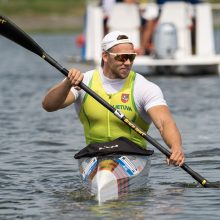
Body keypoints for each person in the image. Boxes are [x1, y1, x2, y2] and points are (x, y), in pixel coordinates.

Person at [42, 31, 185, 167]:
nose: (128, 62)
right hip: (94, 155)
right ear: (105, 56)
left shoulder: (143, 86)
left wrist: (175, 147)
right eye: (122, 57)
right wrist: (67, 83)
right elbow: (49, 106)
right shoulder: (83, 80)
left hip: (133, 156)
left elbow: (164, 123)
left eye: (132, 57)